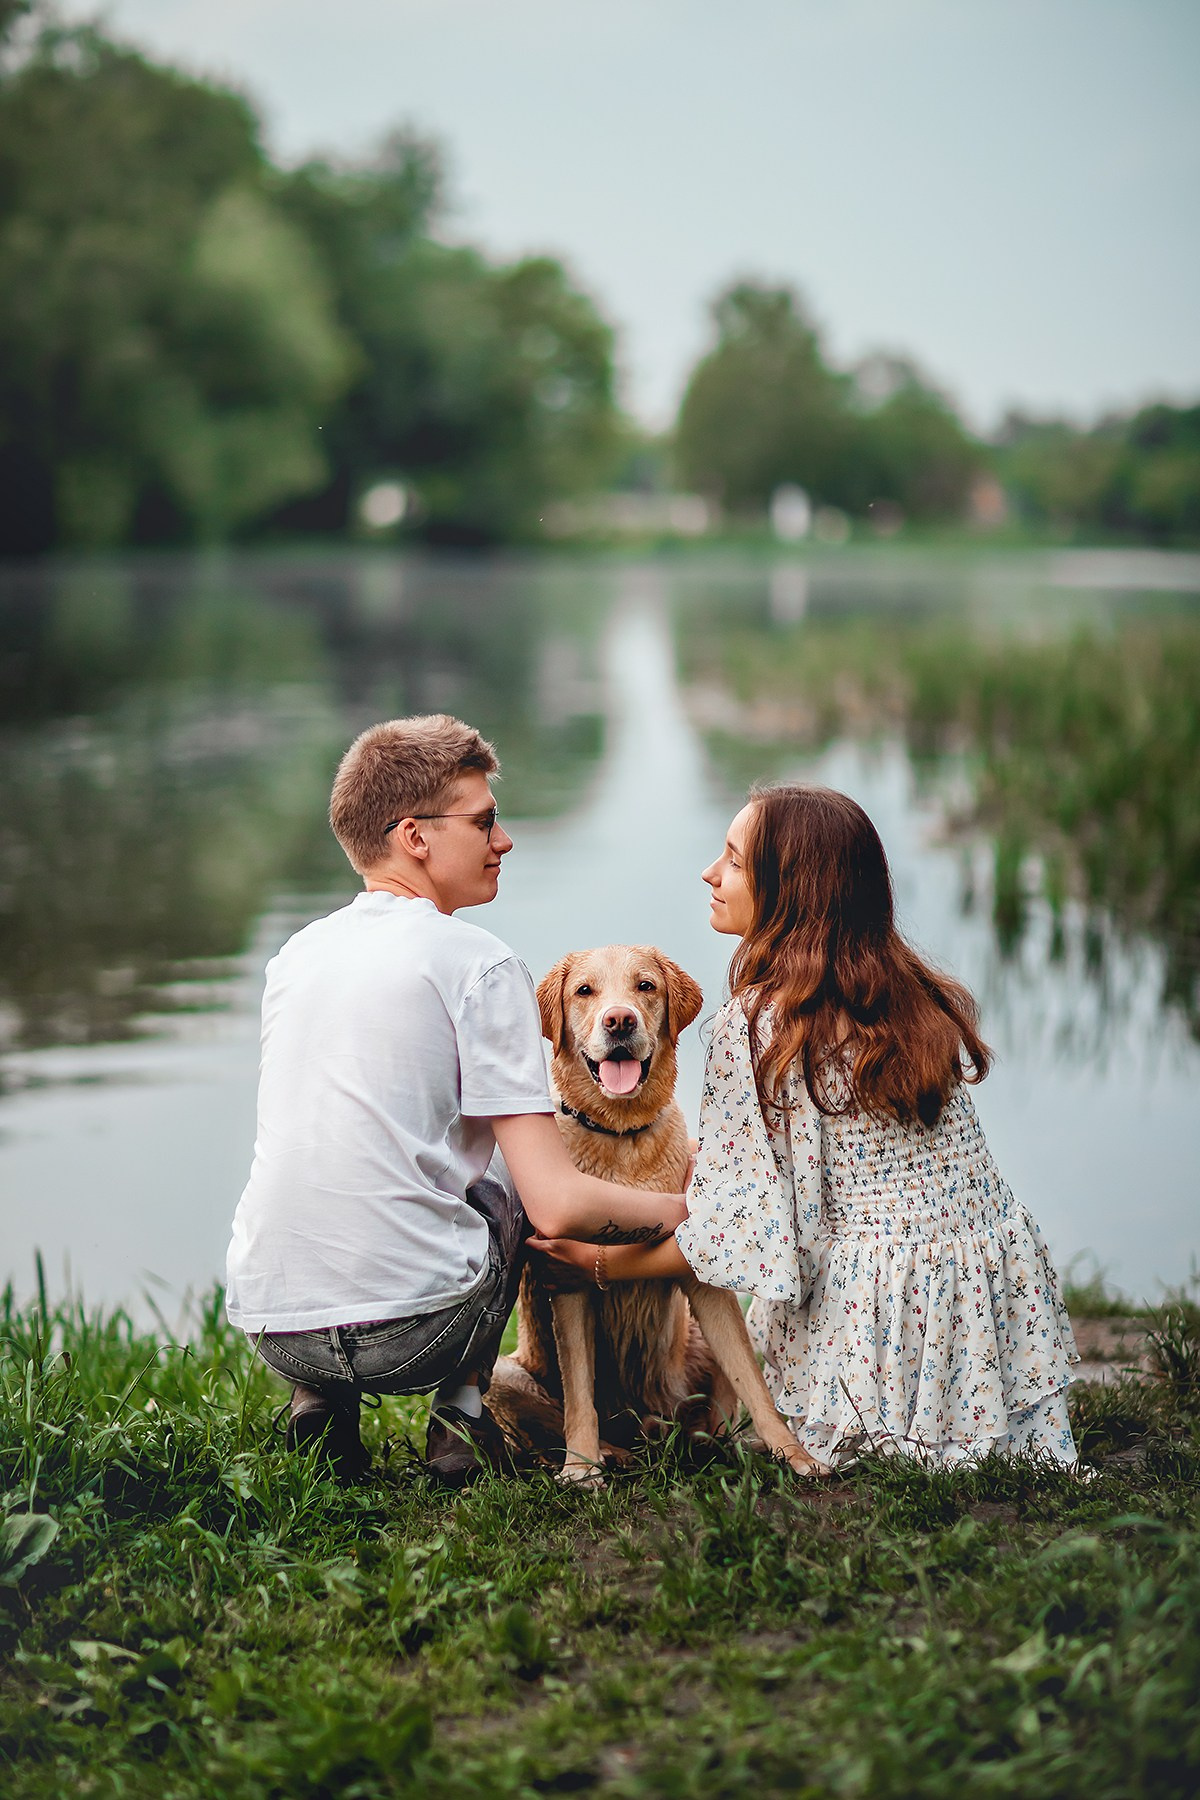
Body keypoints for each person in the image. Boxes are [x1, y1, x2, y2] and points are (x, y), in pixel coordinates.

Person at [530, 784, 1080, 1471]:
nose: (710, 873)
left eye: (731, 861)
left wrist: (596, 1261)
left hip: (877, 1320)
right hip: (988, 1302)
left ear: (788, 891)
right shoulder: (917, 994)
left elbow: (737, 1243)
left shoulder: (753, 1026)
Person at [225, 715, 686, 1485]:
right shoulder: (480, 962)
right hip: (415, 1335)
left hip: (275, 1326)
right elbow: (557, 1207)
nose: (502, 840)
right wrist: (688, 1207)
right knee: (507, 1183)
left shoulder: (294, 956)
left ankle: (319, 1401)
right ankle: (461, 1413)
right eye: (484, 821)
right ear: (415, 837)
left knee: (342, 1152)